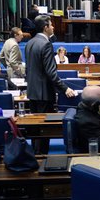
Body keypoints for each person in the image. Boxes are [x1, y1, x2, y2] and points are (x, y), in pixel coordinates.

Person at [25, 15, 76, 154]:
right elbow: (51, 73)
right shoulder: (46, 44)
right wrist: (65, 88)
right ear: (45, 27)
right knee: (43, 131)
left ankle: (36, 157)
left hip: (32, 91)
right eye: (51, 25)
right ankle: (41, 160)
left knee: (35, 130)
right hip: (44, 93)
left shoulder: (30, 42)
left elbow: (29, 69)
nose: (53, 27)